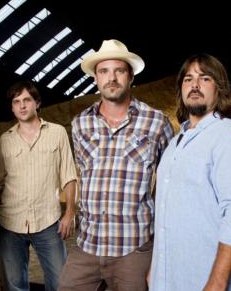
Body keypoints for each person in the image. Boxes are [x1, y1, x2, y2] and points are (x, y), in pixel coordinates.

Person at [58, 39, 174, 291]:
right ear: (96, 79)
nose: (112, 78)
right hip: (87, 244)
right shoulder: (80, 124)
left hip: (133, 246)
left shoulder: (156, 122)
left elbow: (169, 180)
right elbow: (83, 174)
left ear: (130, 76)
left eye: (119, 70)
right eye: (104, 71)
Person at [148, 54, 231, 291]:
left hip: (206, 279)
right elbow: (166, 211)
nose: (194, 85)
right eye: (188, 79)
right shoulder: (176, 142)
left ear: (219, 89)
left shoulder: (228, 136)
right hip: (169, 277)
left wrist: (218, 281)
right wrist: (156, 267)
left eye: (204, 78)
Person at [0, 80, 77, 291]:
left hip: (49, 221)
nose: (22, 106)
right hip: (10, 223)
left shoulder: (57, 133)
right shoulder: (5, 140)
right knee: (15, 285)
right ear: (12, 107)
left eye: (26, 100)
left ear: (37, 103)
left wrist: (69, 213)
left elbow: (69, 176)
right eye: (16, 102)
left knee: (60, 282)